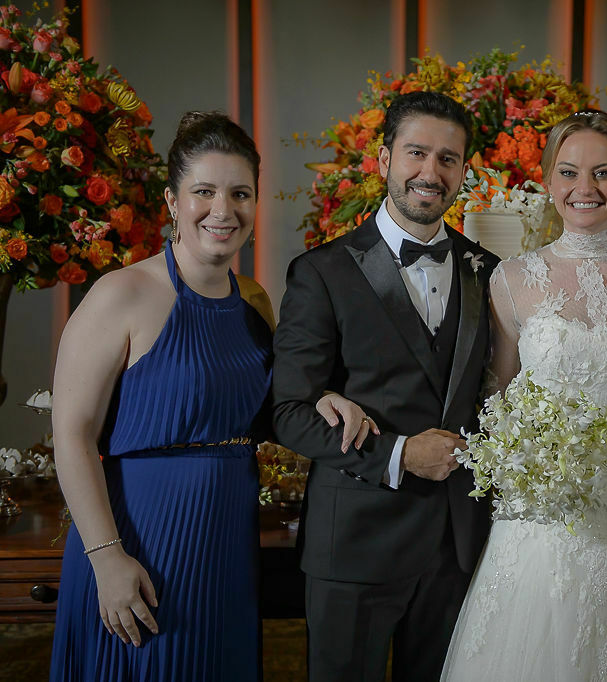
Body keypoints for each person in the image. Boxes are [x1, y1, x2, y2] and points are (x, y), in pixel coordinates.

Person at [440, 110, 607, 681]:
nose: (586, 188)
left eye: (604, 172)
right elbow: (497, 399)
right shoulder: (510, 279)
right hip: (543, 511)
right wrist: (525, 465)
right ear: (549, 183)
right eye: (570, 172)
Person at [272, 91, 500, 682]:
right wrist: (399, 453)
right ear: (383, 159)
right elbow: (290, 410)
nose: (432, 172)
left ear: (464, 171)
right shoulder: (321, 272)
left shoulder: (488, 270)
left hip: (456, 545)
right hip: (355, 544)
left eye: (448, 159)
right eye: (417, 153)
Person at [49, 112, 273, 681]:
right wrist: (107, 559)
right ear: (172, 201)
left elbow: (271, 414)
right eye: (204, 192)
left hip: (226, 546)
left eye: (240, 193)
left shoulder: (256, 303)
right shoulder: (120, 294)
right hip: (138, 547)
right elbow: (71, 435)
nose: (224, 210)